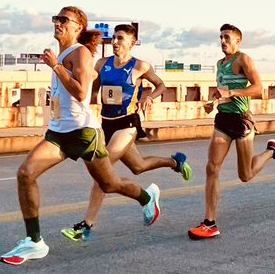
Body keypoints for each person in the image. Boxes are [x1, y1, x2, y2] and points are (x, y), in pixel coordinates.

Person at [0, 8, 161, 265]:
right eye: (57, 19)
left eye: (64, 20)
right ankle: (34, 242)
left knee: (109, 184)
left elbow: (81, 91)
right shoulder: (65, 53)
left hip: (84, 133)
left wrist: (56, 67)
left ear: (77, 27)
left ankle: (146, 197)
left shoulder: (80, 53)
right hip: (59, 132)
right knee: (25, 173)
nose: (58, 23)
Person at [62, 23, 194, 243]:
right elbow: (92, 88)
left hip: (128, 124)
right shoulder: (102, 64)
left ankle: (86, 225)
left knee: (101, 171)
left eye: (120, 38)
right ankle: (175, 162)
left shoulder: (140, 66)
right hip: (106, 123)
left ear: (132, 43)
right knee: (138, 166)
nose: (115, 42)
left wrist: (148, 97)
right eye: (114, 38)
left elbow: (160, 85)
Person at [187, 24, 275, 241]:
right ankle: (209, 222)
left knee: (245, 175)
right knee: (211, 168)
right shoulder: (220, 63)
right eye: (221, 37)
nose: (223, 41)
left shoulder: (244, 60)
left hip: (242, 120)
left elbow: (258, 88)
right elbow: (221, 90)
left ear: (238, 41)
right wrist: (213, 101)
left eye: (227, 37)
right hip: (222, 119)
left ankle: (272, 151)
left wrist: (233, 92)